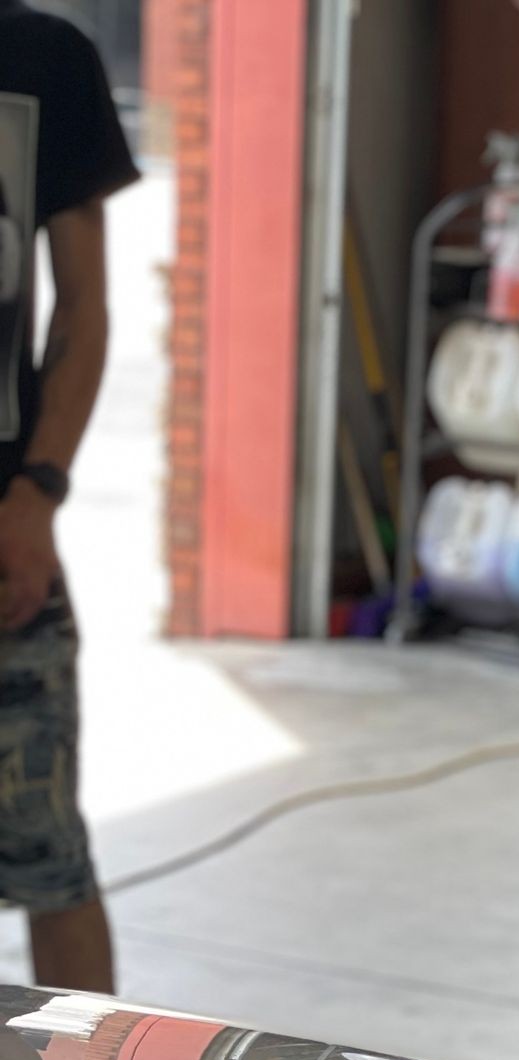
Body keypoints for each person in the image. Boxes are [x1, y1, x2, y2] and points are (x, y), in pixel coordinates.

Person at [0, 1, 138, 991]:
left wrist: (37, 494)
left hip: (3, 531)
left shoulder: (45, 60)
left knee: (53, 861)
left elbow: (84, 305)